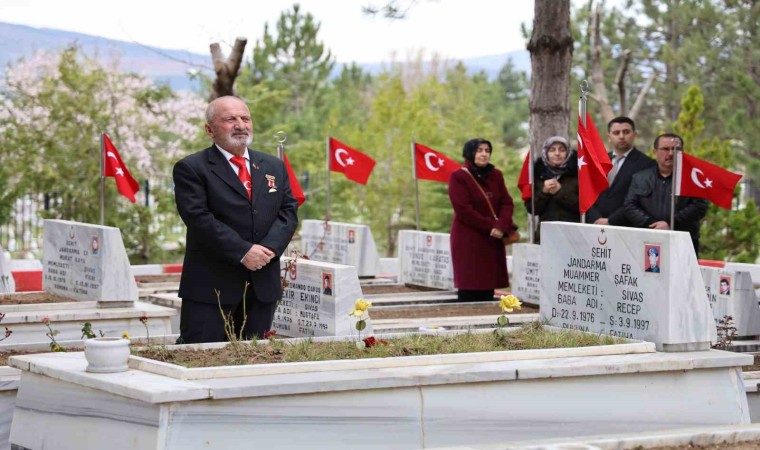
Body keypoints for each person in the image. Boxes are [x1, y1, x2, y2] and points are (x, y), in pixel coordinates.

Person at [173, 96, 299, 344]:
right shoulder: (191, 168)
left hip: (262, 285)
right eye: (230, 119)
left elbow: (288, 211)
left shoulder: (273, 165)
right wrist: (243, 251)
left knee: (255, 361)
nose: (240, 125)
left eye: (245, 118)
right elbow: (199, 218)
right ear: (209, 129)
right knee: (202, 357)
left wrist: (269, 251)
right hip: (211, 289)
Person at [448, 138, 517, 302]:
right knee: (470, 283)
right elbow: (463, 210)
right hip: (469, 238)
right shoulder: (458, 177)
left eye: (487, 150)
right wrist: (491, 226)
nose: (484, 154)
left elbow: (506, 202)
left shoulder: (496, 175)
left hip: (493, 238)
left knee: (488, 284)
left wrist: (501, 226)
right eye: (479, 150)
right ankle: (467, 324)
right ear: (470, 153)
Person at [624, 133, 708, 255]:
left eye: (676, 149)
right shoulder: (641, 178)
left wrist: (671, 223)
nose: (671, 153)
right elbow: (630, 206)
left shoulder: (694, 178)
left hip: (682, 242)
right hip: (647, 240)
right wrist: (651, 224)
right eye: (665, 149)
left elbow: (700, 206)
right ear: (655, 152)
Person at [586, 116, 656, 226]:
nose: (621, 136)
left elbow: (640, 199)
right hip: (596, 225)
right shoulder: (598, 162)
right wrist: (596, 217)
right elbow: (589, 193)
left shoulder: (647, 164)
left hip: (626, 226)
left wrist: (611, 220)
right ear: (609, 137)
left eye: (626, 132)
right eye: (616, 133)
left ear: (634, 135)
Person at [524, 136, 579, 243]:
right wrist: (544, 192)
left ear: (568, 152)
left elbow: (583, 207)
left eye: (562, 150)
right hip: (545, 236)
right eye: (552, 150)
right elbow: (532, 209)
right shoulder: (538, 175)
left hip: (572, 236)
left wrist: (560, 192)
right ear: (546, 153)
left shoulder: (578, 174)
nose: (557, 153)